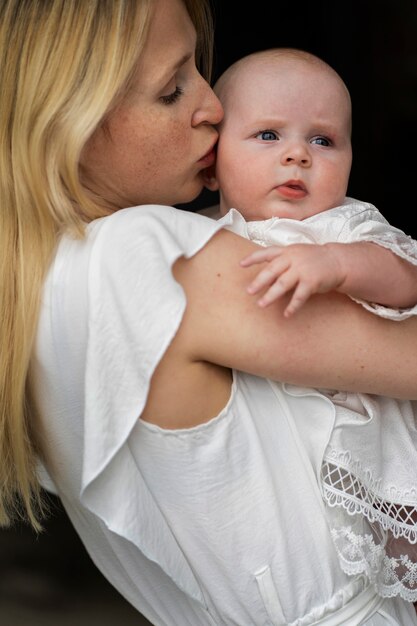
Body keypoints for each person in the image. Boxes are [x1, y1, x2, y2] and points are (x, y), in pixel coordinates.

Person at [2, 2, 417, 625]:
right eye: (173, 90)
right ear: (72, 118)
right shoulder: (147, 254)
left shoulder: (35, 280)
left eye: (198, 68)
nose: (214, 107)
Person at [204, 44, 417, 608]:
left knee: (397, 567)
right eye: (269, 135)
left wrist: (338, 264)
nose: (298, 155)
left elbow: (405, 278)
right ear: (212, 157)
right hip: (284, 449)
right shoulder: (203, 235)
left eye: (323, 140)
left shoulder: (343, 224)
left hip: (370, 436)